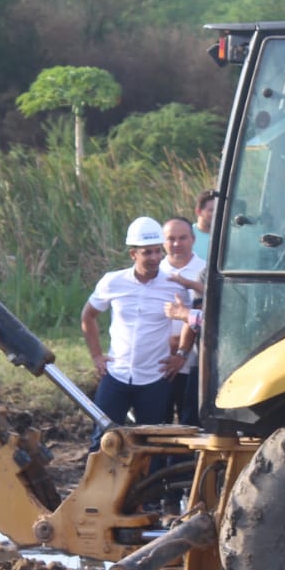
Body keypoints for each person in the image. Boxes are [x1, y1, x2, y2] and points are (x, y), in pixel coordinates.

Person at [81, 216, 187, 447]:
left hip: (154, 378)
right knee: (102, 440)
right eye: (147, 252)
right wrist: (97, 356)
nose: (154, 258)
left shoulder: (174, 285)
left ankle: (150, 484)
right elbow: (88, 316)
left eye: (158, 252)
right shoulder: (113, 282)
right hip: (116, 375)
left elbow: (190, 319)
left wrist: (181, 355)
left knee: (153, 444)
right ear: (133, 254)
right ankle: (98, 484)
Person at [161, 217, 206, 426]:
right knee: (159, 422)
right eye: (171, 239)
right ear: (163, 242)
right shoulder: (154, 271)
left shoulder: (205, 272)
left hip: (192, 362)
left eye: (182, 238)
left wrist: (182, 348)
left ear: (193, 239)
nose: (177, 244)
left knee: (189, 423)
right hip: (160, 361)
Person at [192, 189, 217, 263]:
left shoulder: (229, 236)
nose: (216, 214)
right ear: (198, 211)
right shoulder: (186, 236)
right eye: (211, 210)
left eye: (219, 210)